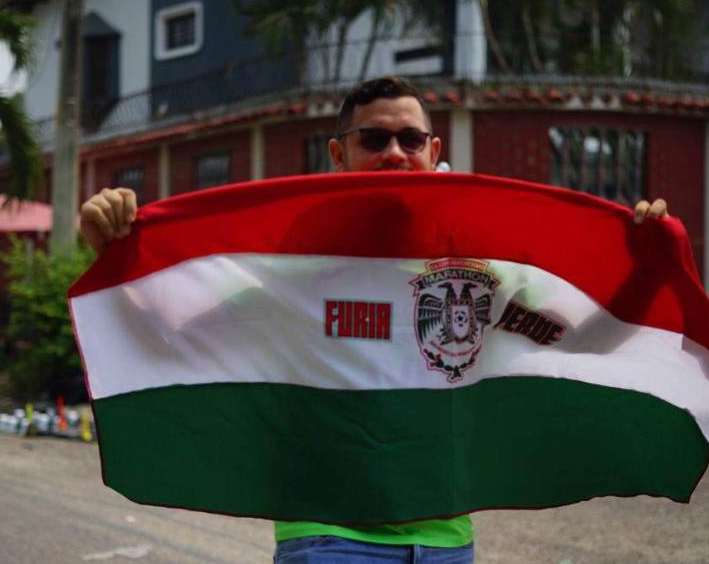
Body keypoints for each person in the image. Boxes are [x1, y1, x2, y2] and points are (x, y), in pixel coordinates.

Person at [80, 76, 668, 563]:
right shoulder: (292, 263)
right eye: (374, 138)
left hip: (445, 543)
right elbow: (172, 335)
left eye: (411, 139)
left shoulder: (480, 265)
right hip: (330, 539)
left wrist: (645, 270)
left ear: (433, 152)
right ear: (339, 154)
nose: (395, 152)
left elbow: (582, 341)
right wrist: (116, 253)